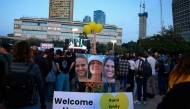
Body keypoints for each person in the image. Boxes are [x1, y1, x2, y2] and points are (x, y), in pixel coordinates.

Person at [2, 41, 43, 109]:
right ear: (29, 52)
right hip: (30, 101)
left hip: (12, 101)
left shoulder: (8, 66)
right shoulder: (34, 67)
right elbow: (40, 85)